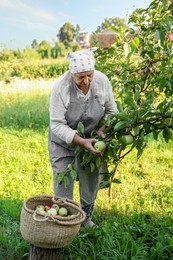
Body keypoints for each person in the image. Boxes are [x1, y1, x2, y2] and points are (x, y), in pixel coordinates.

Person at [48, 48, 117, 227]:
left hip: (92, 137)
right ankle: (65, 219)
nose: (86, 81)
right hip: (63, 140)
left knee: (90, 177)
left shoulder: (101, 81)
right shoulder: (61, 87)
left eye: (89, 75)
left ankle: (85, 217)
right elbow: (56, 124)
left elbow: (112, 111)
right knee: (63, 177)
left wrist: (102, 130)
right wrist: (79, 140)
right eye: (81, 77)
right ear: (72, 75)